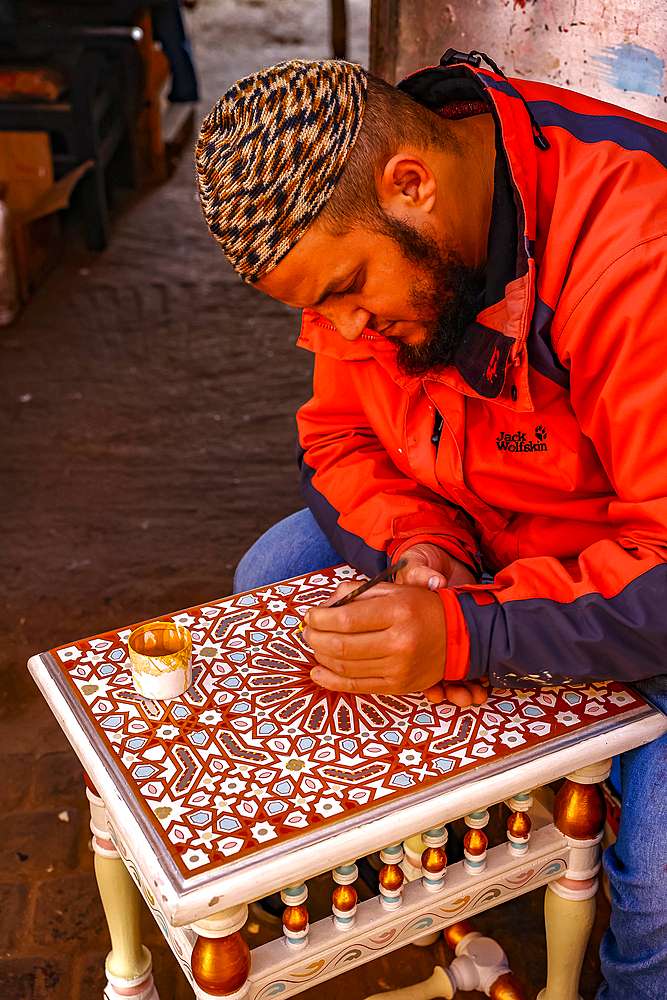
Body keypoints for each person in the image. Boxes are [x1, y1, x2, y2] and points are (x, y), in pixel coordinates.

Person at [195, 56, 667, 999]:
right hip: (481, 545)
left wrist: (464, 633)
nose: (344, 331)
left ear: (411, 185)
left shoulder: (634, 248)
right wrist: (422, 550)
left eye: (346, 290)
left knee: (658, 869)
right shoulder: (376, 255)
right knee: (273, 576)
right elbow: (337, 438)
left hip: (629, 583)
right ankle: (432, 906)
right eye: (316, 310)